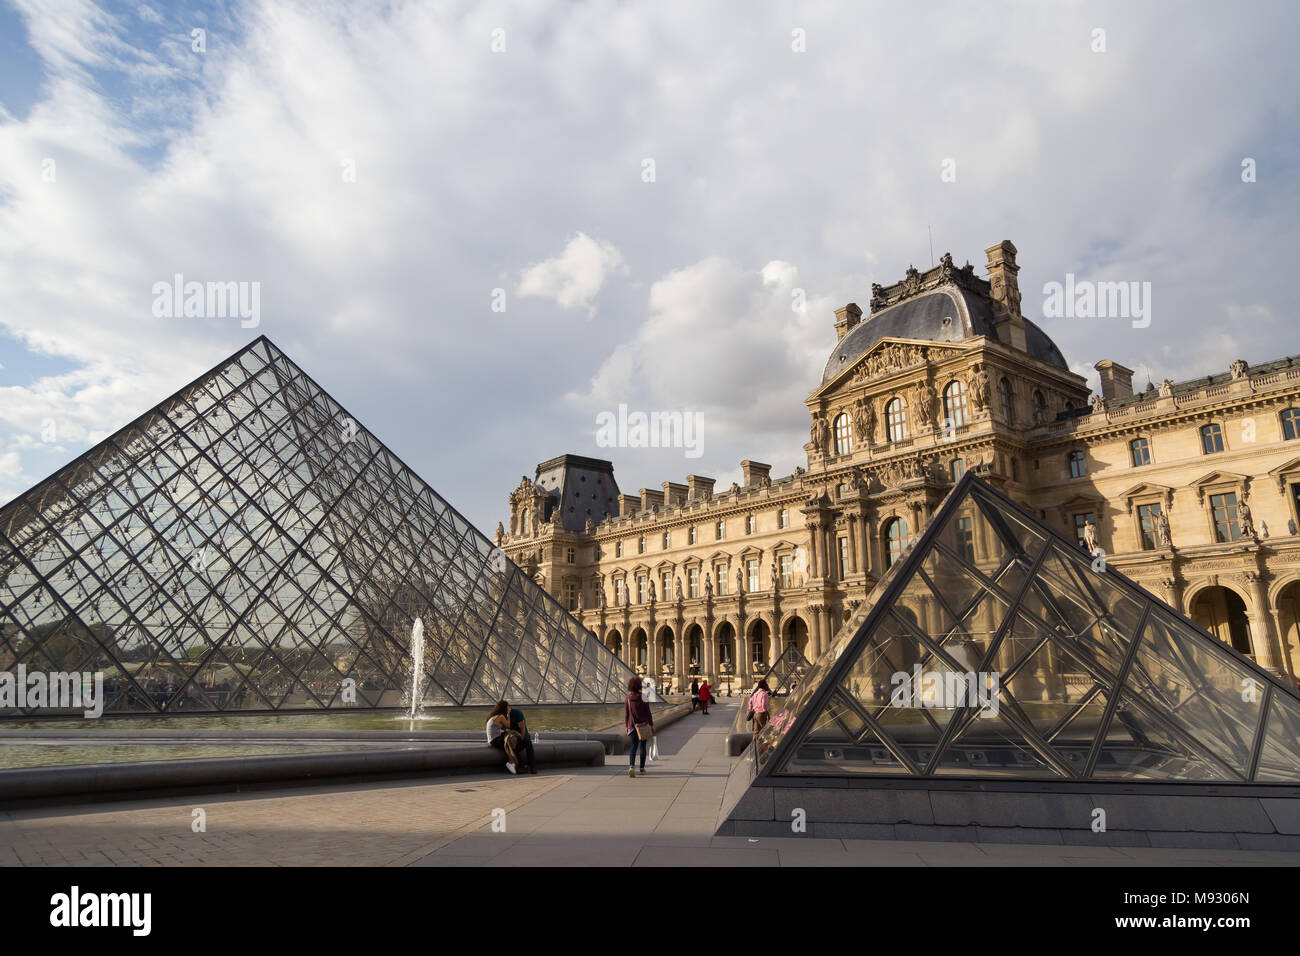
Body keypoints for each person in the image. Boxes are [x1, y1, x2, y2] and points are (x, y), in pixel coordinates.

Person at [624, 676, 654, 777]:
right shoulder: (644, 697)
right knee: (642, 747)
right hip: (643, 726)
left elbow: (627, 715)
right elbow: (648, 713)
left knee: (633, 747)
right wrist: (651, 724)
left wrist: (626, 726)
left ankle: (632, 766)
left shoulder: (627, 699)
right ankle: (641, 768)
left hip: (632, 726)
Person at [485, 700, 525, 775]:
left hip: (492, 740)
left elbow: (503, 729)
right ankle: (512, 762)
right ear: (504, 708)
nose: (509, 708)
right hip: (495, 740)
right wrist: (509, 714)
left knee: (511, 738)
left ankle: (516, 764)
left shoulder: (493, 716)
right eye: (508, 707)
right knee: (512, 740)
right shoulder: (501, 717)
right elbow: (508, 726)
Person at [505, 700, 538, 774]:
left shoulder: (517, 713)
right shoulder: (503, 716)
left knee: (527, 742)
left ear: (509, 707)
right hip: (513, 735)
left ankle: (532, 766)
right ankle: (523, 767)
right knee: (515, 748)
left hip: (522, 733)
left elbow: (523, 729)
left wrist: (522, 739)